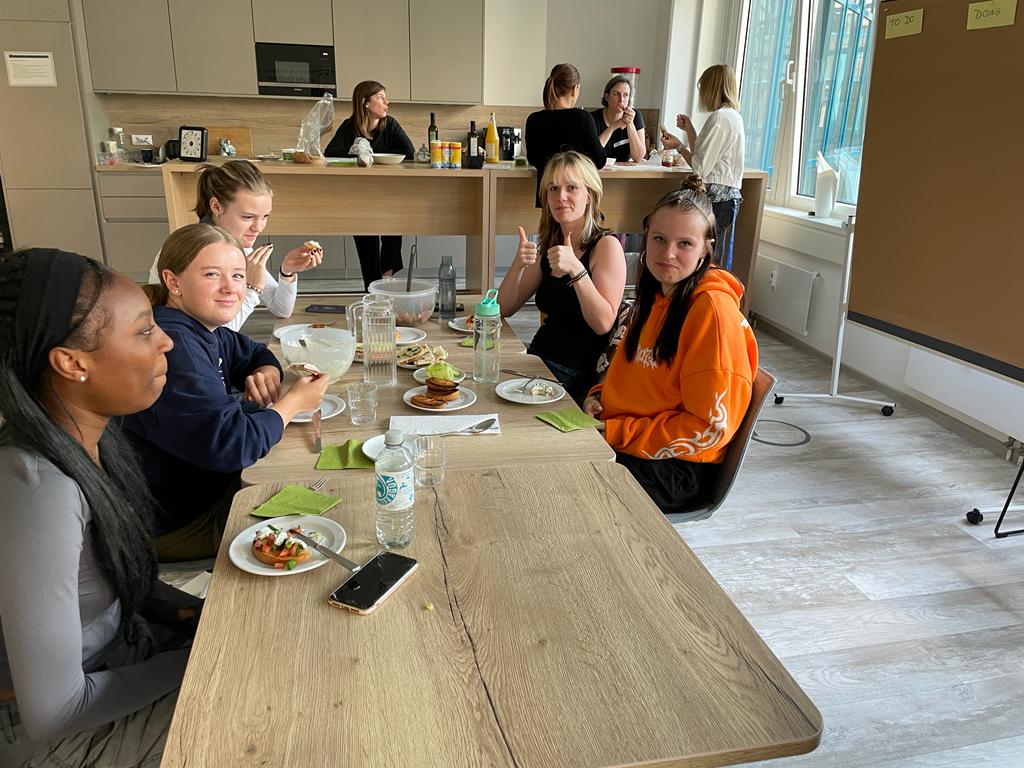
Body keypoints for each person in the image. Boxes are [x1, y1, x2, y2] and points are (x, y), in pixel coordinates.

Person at [0, 248, 202, 766]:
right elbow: (55, 710)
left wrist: (198, 617)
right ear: (72, 363)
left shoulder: (93, 436)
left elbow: (119, 578)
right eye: (143, 331)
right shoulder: (37, 488)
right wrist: (203, 658)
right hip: (57, 728)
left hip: (123, 652)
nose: (166, 341)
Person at [126, 224, 332, 562]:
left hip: (208, 489)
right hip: (180, 521)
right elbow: (235, 444)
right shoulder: (176, 346)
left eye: (238, 275)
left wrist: (265, 372)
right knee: (325, 511)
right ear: (173, 282)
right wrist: (293, 402)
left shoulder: (200, 326)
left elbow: (255, 352)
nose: (230, 288)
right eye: (211, 274)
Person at [583, 177, 758, 515]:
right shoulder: (656, 295)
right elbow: (631, 374)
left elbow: (709, 429)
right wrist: (599, 398)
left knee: (558, 482)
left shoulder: (712, 312)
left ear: (706, 248)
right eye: (659, 239)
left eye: (685, 244)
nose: (668, 254)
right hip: (630, 440)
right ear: (646, 235)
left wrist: (616, 431)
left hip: (676, 468)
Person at [497, 151, 625, 403]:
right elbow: (503, 308)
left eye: (571, 188)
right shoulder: (551, 246)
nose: (560, 196)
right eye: (553, 189)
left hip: (574, 373)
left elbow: (603, 323)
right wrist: (518, 264)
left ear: (589, 195)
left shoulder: (606, 246)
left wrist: (577, 270)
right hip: (536, 360)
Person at [147, 160, 323, 331]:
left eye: (265, 216)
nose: (259, 227)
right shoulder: (195, 253)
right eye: (247, 217)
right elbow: (213, 335)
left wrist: (287, 272)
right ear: (216, 206)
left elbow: (280, 309)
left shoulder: (236, 246)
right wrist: (252, 289)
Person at [324, 80, 416, 290]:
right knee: (365, 239)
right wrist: (356, 150)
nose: (386, 103)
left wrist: (373, 156)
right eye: (381, 98)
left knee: (393, 231)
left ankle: (386, 280)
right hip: (360, 194)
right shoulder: (349, 126)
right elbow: (330, 153)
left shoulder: (390, 124)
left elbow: (408, 152)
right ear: (365, 102)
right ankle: (372, 287)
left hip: (388, 192)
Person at [660, 64, 745, 266]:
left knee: (707, 259)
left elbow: (700, 167)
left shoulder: (720, 118)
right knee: (711, 256)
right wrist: (689, 129)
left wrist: (679, 146)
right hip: (727, 198)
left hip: (718, 199)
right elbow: (704, 152)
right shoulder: (731, 116)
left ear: (711, 88)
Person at [525, 63, 607, 207]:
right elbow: (599, 160)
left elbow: (533, 158)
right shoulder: (583, 118)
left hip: (548, 192)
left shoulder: (534, 119)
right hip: (576, 193)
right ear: (575, 89)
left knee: (548, 223)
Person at [590, 74, 646, 163]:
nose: (621, 100)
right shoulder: (592, 118)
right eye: (616, 94)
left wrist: (630, 124)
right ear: (607, 96)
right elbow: (592, 154)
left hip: (623, 171)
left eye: (625, 95)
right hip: (598, 169)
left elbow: (638, 157)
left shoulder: (635, 116)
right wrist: (613, 127)